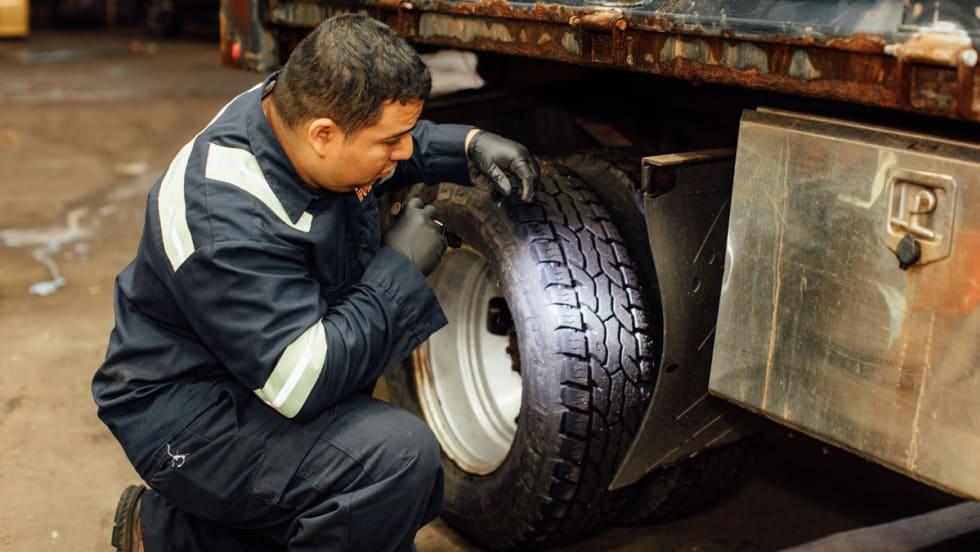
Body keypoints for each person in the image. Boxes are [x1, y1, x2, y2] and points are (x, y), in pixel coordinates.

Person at [92, 13, 539, 552]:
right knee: (389, 461)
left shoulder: (289, 111)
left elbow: (371, 137)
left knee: (366, 489)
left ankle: (170, 537)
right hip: (187, 414)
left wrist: (464, 146)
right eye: (392, 141)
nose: (403, 151)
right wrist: (397, 268)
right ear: (322, 135)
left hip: (241, 369)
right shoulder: (225, 221)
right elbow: (298, 383)